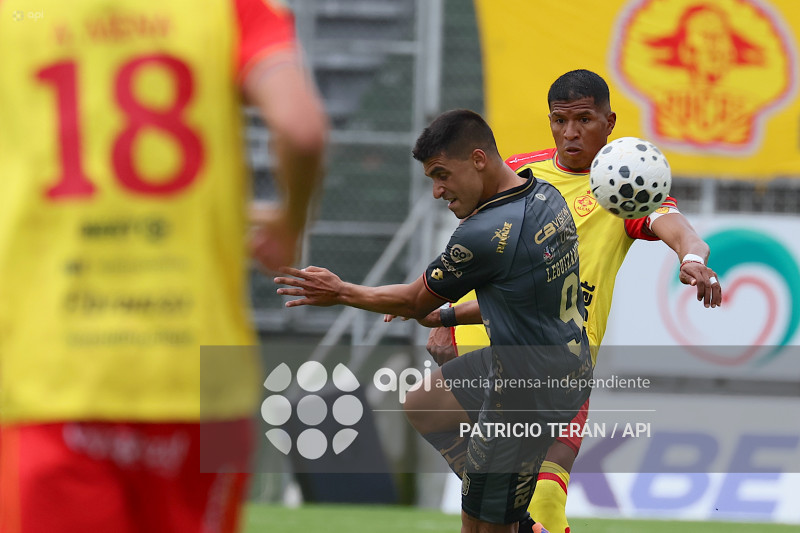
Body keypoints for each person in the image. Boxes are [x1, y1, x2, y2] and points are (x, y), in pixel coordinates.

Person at [0, 1, 327, 532]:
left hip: (51, 370)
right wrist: (290, 223)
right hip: (205, 378)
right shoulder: (230, 9)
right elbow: (302, 129)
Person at [398, 69, 723, 533]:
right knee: (434, 423)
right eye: (560, 120)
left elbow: (676, 227)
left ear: (609, 123)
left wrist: (690, 257)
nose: (570, 132)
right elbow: (475, 251)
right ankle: (514, 514)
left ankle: (518, 514)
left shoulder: (622, 183)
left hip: (559, 363)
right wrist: (447, 320)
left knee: (543, 497)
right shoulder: (520, 172)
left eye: (584, 120)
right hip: (488, 347)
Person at [274, 109, 592, 533]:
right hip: (554, 364)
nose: (438, 191)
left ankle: (503, 507)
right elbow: (525, 299)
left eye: (442, 175)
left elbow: (412, 300)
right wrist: (448, 315)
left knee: (481, 527)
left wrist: (341, 292)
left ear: (478, 159)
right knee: (424, 402)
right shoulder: (546, 197)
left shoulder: (486, 232)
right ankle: (504, 504)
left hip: (528, 390)